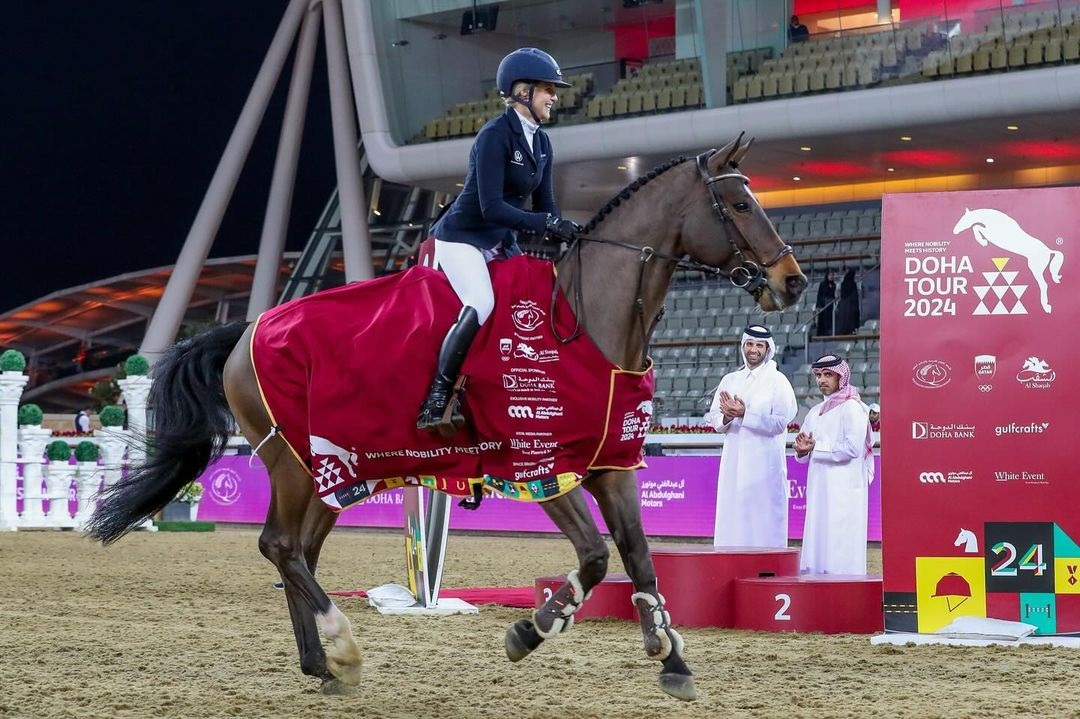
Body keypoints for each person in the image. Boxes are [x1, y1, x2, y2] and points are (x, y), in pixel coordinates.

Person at [417, 48, 579, 435]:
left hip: (501, 240)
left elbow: (546, 205)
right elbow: (491, 207)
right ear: (523, 91)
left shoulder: (542, 143)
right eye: (548, 90)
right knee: (482, 301)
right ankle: (437, 398)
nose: (554, 97)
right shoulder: (495, 135)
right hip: (464, 236)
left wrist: (565, 231)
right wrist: (546, 223)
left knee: (533, 300)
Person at [704, 325, 797, 548]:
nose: (753, 349)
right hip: (734, 463)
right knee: (733, 515)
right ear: (743, 346)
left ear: (768, 349)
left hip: (765, 465)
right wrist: (727, 417)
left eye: (759, 345)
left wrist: (745, 414)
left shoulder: (778, 381)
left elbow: (779, 423)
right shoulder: (729, 380)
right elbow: (714, 419)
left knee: (762, 519)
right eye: (750, 344)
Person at [794, 355, 875, 575]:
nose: (822, 380)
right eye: (819, 375)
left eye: (828, 375)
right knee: (818, 535)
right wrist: (802, 450)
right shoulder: (814, 412)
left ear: (841, 377)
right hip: (819, 488)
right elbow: (804, 451)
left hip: (845, 492)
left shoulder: (852, 408)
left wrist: (816, 447)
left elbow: (852, 448)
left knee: (841, 541)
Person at [835, 269, 861, 335]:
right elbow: (855, 296)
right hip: (851, 305)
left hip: (843, 304)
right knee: (850, 320)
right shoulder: (853, 284)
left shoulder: (843, 284)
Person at [814, 270, 836, 337]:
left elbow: (832, 295)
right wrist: (818, 306)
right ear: (827, 276)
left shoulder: (834, 285)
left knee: (830, 320)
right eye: (830, 275)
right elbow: (819, 295)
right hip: (823, 305)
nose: (831, 277)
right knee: (823, 321)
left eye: (832, 275)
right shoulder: (822, 284)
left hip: (830, 305)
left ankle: (829, 334)